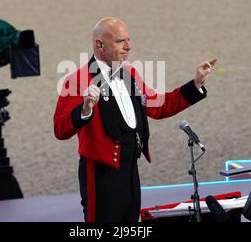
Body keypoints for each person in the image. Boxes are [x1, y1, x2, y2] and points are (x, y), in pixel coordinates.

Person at [53, 17, 217, 222]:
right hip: (101, 173)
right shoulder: (77, 79)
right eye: (121, 41)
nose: (128, 47)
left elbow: (159, 106)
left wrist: (195, 84)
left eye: (128, 40)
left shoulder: (129, 73)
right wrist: (84, 109)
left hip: (131, 168)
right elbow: (60, 128)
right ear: (99, 44)